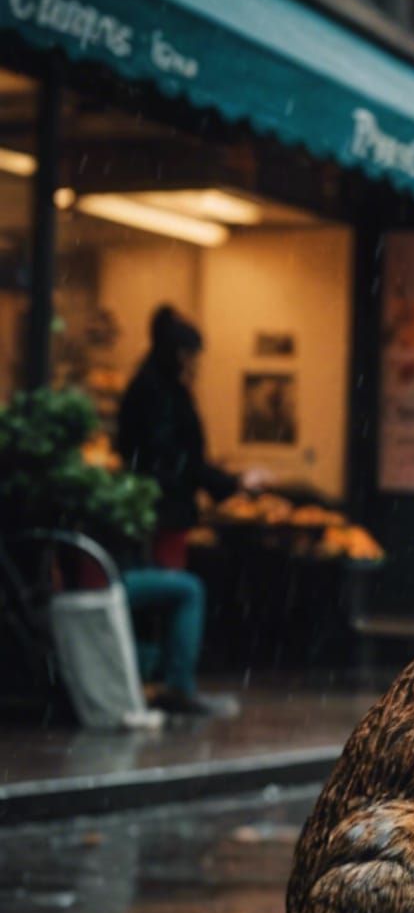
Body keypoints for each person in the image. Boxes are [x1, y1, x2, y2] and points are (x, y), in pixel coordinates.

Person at [116, 306, 259, 717]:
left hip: (159, 508)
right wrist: (227, 483)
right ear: (179, 352)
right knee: (175, 592)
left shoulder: (148, 386)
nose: (195, 364)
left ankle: (157, 680)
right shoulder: (163, 393)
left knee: (164, 594)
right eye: (191, 355)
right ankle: (172, 683)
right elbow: (176, 459)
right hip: (164, 512)